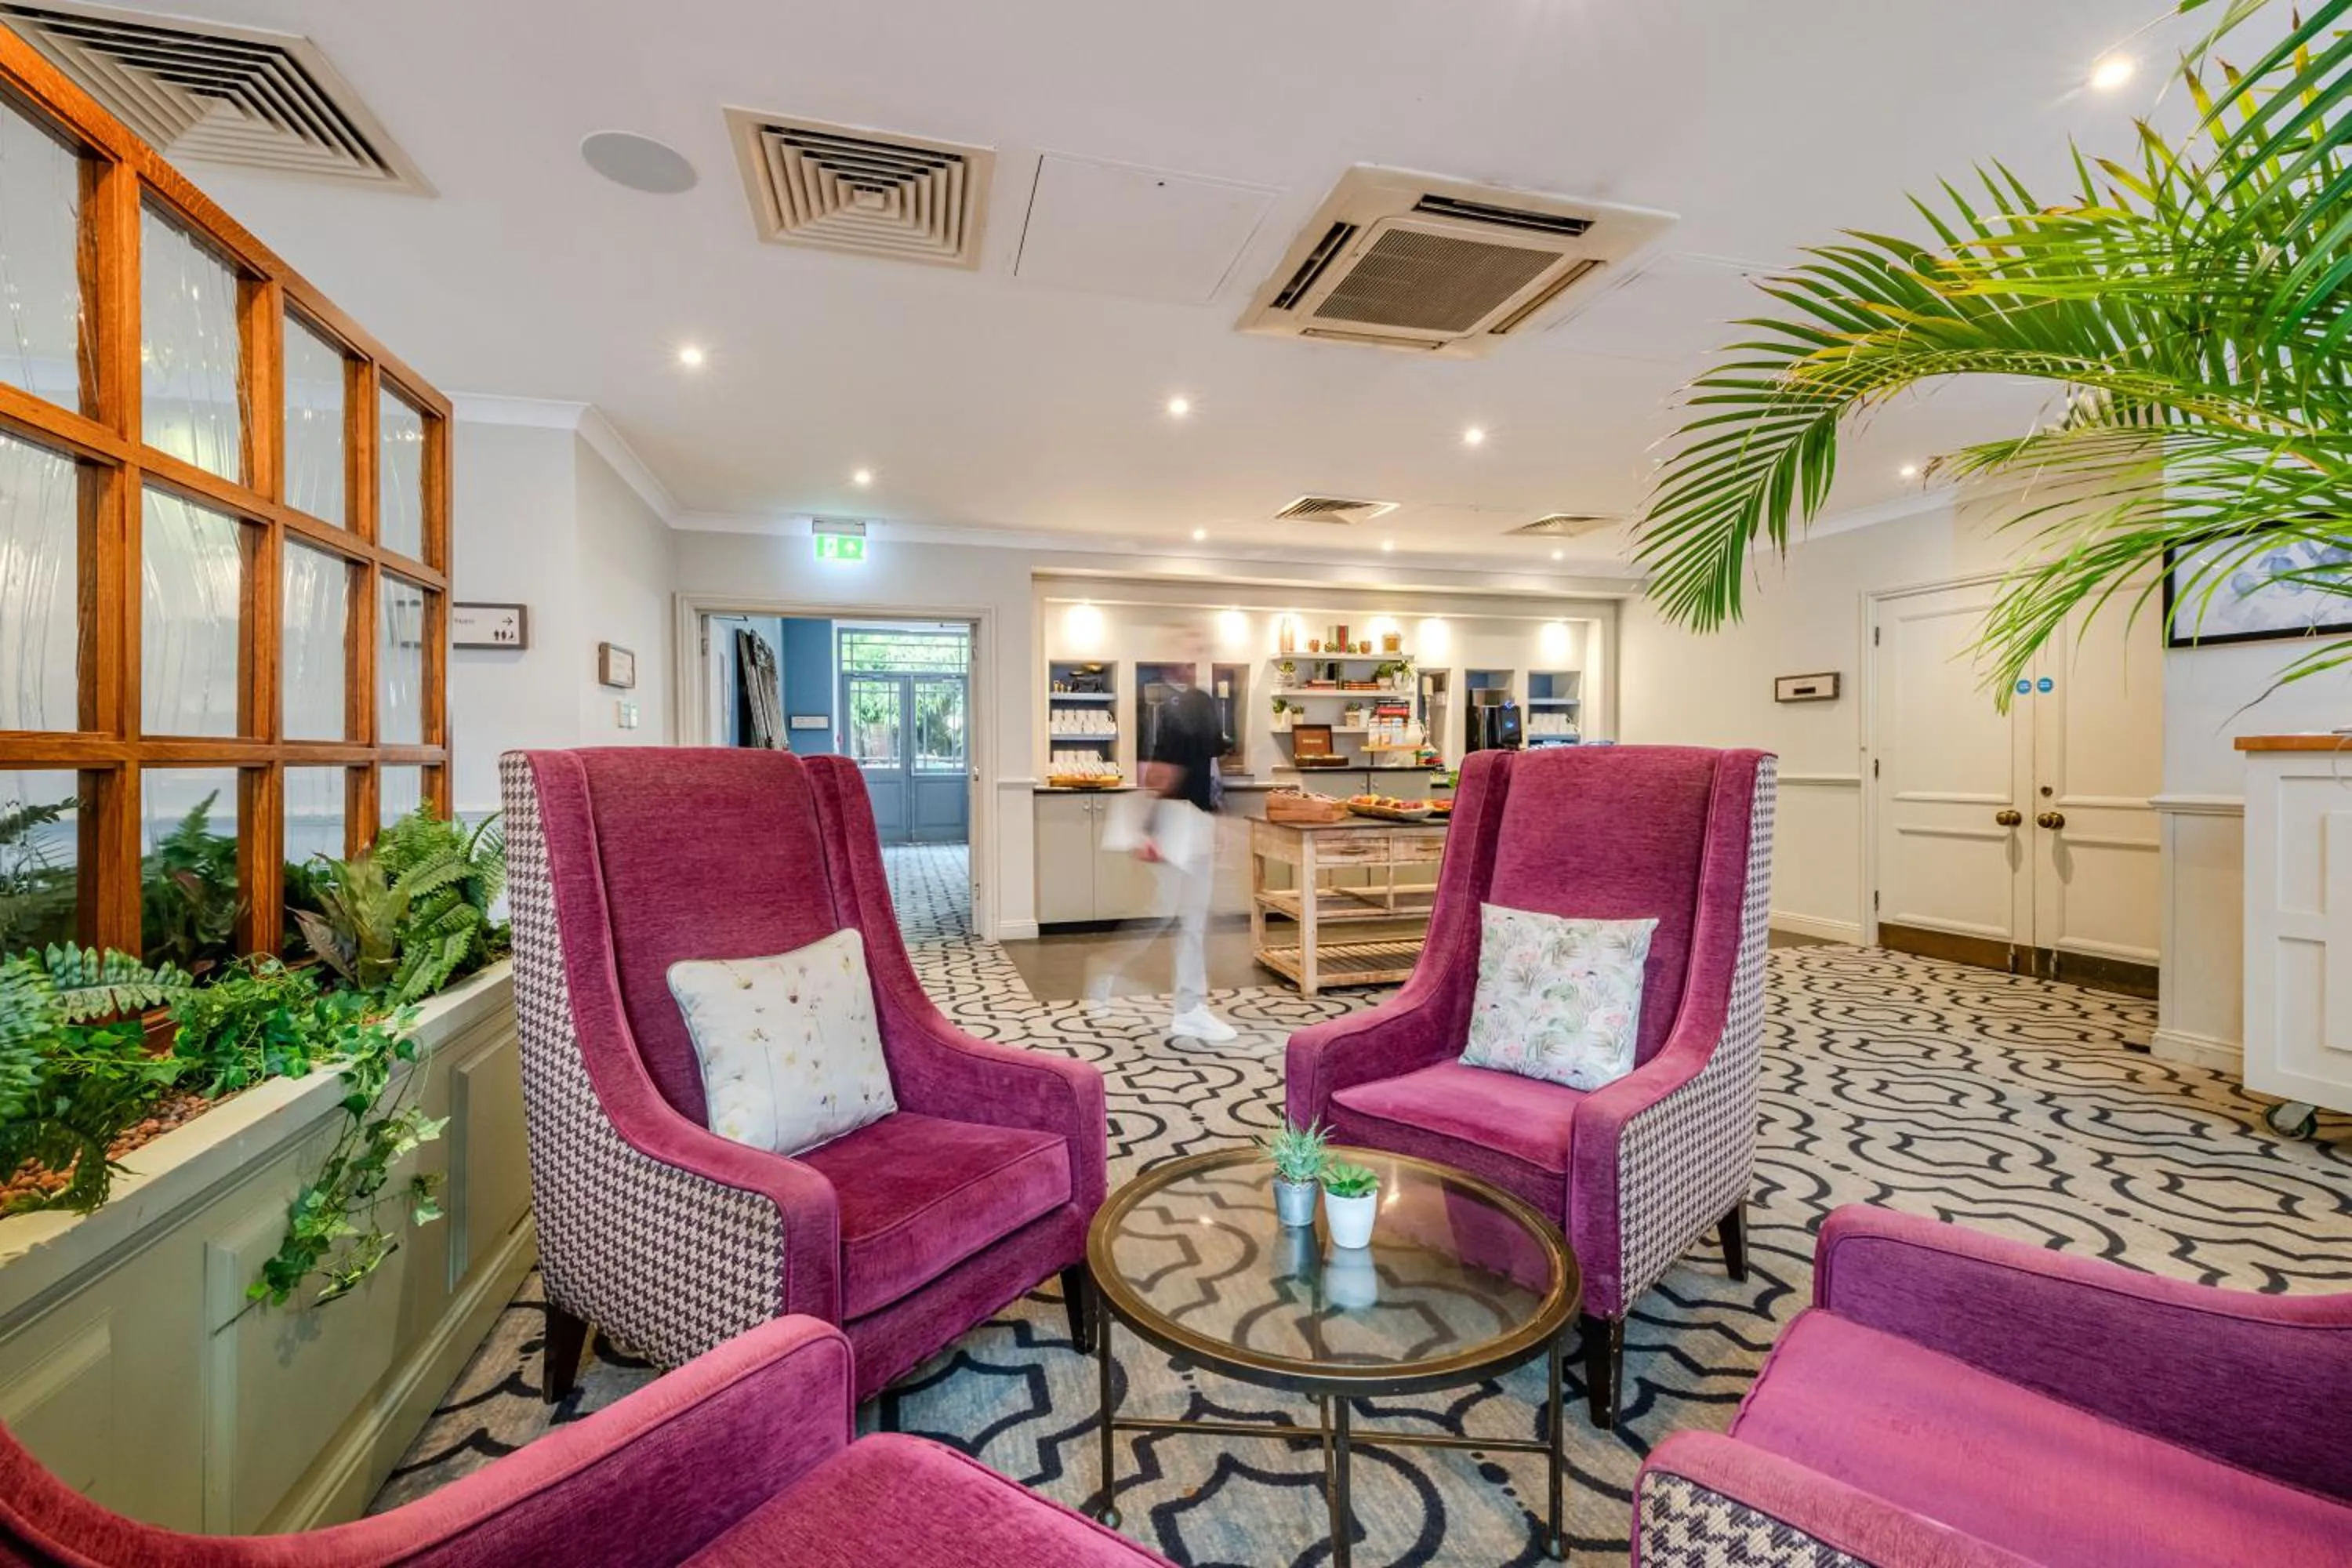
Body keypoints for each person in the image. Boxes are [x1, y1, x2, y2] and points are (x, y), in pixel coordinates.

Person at [1088, 641, 1236, 1042]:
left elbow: (1206, 769)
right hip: (1179, 823)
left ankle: (1182, 1003)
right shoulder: (1179, 707)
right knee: (1179, 917)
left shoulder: (1195, 703)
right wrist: (1150, 830)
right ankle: (1185, 1005)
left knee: (1176, 915)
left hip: (1192, 821)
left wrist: (1217, 818)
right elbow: (1161, 773)